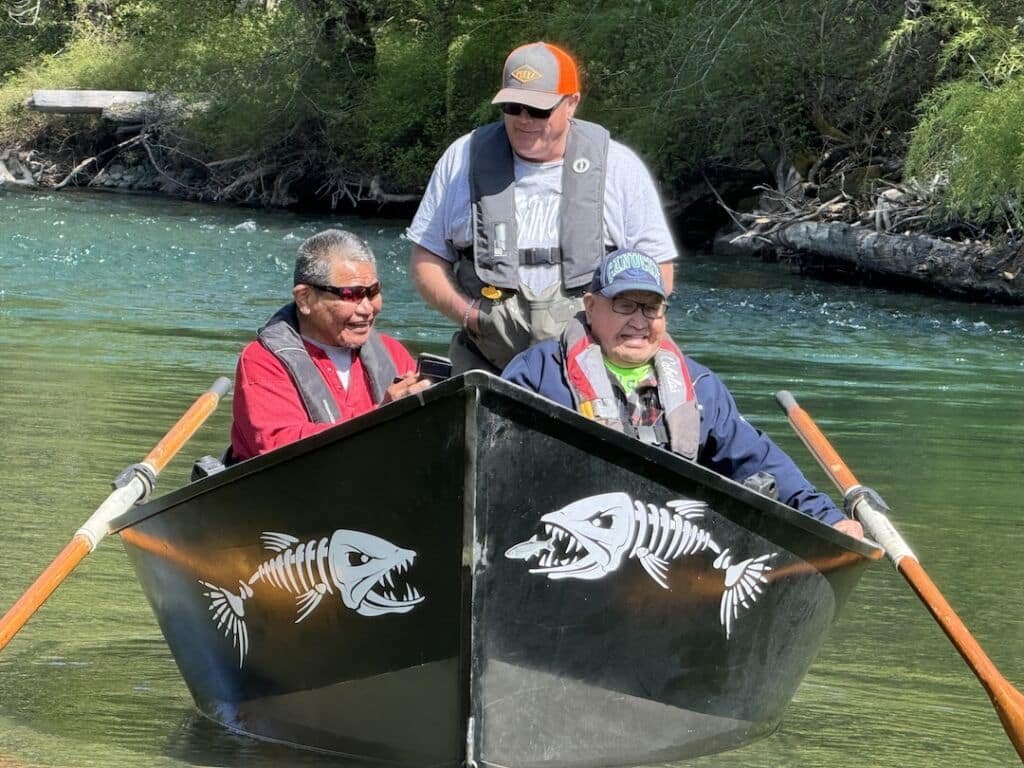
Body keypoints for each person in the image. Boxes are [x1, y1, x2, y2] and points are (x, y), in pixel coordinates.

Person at [501, 248, 864, 537]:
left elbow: (756, 458)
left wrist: (829, 519)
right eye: (624, 305)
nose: (639, 321)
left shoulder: (700, 385)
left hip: (664, 540)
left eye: (651, 307)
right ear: (591, 307)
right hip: (563, 526)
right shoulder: (537, 372)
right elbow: (499, 460)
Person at [407, 40, 677, 375]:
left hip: (593, 364)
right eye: (513, 107)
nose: (524, 120)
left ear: (572, 103)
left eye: (538, 110)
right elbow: (426, 260)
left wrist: (616, 328)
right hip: (486, 361)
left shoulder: (619, 167)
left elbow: (659, 273)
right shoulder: (462, 159)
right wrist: (469, 314)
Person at [230, 229, 431, 461]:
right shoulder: (262, 361)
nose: (367, 308)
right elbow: (279, 450)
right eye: (350, 294)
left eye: (373, 292)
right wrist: (381, 416)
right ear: (305, 299)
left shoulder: (392, 352)